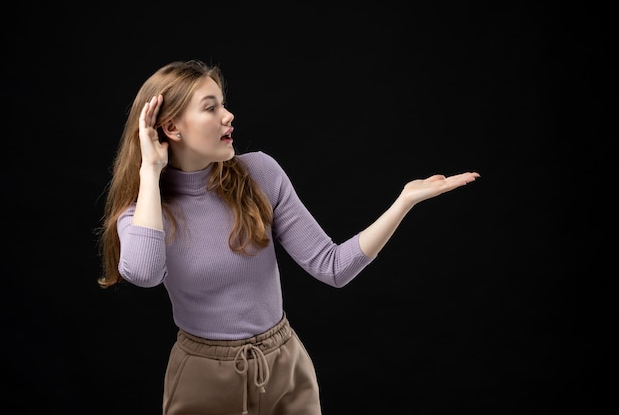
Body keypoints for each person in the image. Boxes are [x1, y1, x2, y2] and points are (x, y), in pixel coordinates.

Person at [97, 59, 480, 415]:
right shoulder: (144, 212)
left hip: (284, 365)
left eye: (223, 104)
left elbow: (332, 267)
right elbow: (144, 274)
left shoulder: (260, 173)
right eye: (211, 107)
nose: (228, 115)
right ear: (172, 128)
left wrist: (404, 201)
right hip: (202, 375)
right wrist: (150, 171)